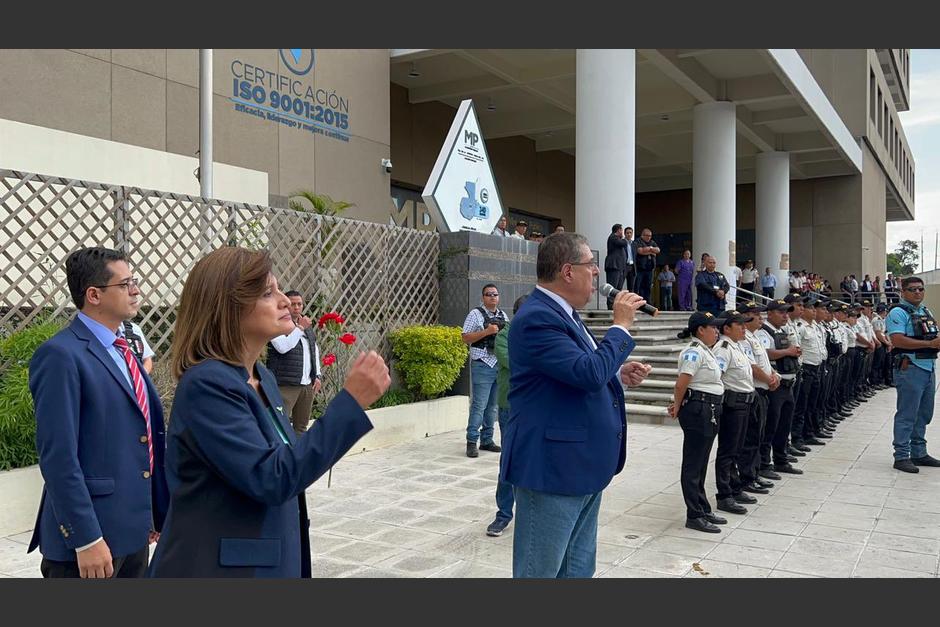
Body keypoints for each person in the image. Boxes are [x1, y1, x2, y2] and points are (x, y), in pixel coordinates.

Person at [147, 247, 390, 577]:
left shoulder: (263, 378)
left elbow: (287, 465)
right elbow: (271, 477)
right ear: (228, 309)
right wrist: (350, 403)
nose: (285, 300)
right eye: (266, 293)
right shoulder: (207, 386)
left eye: (278, 289)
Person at [501, 232, 650, 578]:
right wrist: (621, 326)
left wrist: (617, 371)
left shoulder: (565, 314)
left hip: (580, 466)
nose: (596, 273)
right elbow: (588, 372)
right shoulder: (538, 317)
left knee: (577, 570)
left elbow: (580, 370)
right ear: (568, 272)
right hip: (552, 469)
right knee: (540, 573)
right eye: (591, 266)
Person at [27, 247, 169, 578]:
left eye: (135, 281)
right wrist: (85, 538)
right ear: (94, 295)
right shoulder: (60, 356)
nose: (136, 291)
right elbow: (58, 456)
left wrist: (150, 513)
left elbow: (141, 435)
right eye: (126, 284)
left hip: (132, 531)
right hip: (90, 541)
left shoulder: (125, 349)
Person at [670, 311, 726, 533]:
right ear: (701, 330)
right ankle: (694, 514)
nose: (716, 331)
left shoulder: (706, 352)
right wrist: (676, 406)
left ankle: (702, 507)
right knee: (694, 464)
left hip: (709, 407)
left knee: (702, 462)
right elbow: (681, 384)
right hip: (699, 409)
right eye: (713, 328)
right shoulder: (694, 353)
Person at [885, 277, 940, 473]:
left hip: (928, 366)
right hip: (910, 367)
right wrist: (928, 344)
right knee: (907, 413)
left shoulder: (925, 311)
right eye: (912, 289)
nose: (917, 292)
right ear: (903, 292)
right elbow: (898, 340)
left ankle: (919, 452)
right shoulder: (898, 313)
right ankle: (901, 455)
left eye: (920, 289)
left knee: (924, 413)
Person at [485, 293, 529, 538]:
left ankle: (528, 513)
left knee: (531, 459)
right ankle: (503, 514)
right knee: (509, 460)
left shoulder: (538, 334)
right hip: (510, 406)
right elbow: (513, 362)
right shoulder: (504, 335)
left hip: (534, 405)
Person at [710, 310, 758, 517]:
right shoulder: (723, 348)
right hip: (733, 404)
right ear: (726, 328)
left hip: (745, 402)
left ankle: (735, 487)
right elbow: (717, 376)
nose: (744, 327)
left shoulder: (738, 347)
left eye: (744, 324)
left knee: (737, 449)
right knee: (728, 451)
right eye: (739, 324)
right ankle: (724, 495)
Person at [735, 302, 779, 498]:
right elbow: (752, 366)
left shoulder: (755, 337)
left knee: (758, 435)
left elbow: (764, 362)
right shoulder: (743, 340)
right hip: (754, 391)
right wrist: (768, 378)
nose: (761, 318)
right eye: (756, 315)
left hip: (763, 391)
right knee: (751, 438)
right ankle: (747, 476)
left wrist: (774, 374)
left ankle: (755, 472)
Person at [755, 299, 802, 479]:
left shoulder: (780, 331)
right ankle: (765, 463)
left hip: (788, 383)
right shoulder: (763, 332)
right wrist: (787, 352)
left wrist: (793, 353)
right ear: (770, 313)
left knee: (784, 425)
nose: (785, 315)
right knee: (770, 426)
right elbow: (765, 353)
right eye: (781, 312)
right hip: (775, 386)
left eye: (786, 312)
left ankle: (781, 460)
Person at [461, 284, 508, 457]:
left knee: (493, 407)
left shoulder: (503, 315)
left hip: (498, 364)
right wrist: (487, 332)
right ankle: (471, 441)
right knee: (479, 405)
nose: (492, 297)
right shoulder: (475, 314)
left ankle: (487, 440)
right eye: (488, 294)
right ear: (483, 297)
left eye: (495, 294)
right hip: (482, 363)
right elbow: (465, 337)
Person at [266, 290, 322, 434]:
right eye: (293, 304)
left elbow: (313, 350)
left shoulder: (306, 326)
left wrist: (318, 375)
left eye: (300, 304)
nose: (297, 307)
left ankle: (298, 456)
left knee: (301, 428)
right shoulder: (276, 324)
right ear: (285, 305)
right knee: (278, 427)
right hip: (285, 384)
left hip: (306, 385)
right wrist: (300, 328)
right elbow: (283, 348)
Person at [604, 224, 631, 310]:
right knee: (613, 287)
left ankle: (615, 304)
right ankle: (611, 305)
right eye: (621, 230)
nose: (622, 233)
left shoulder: (617, 239)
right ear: (618, 230)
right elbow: (623, 243)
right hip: (613, 266)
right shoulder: (613, 238)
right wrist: (625, 239)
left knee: (618, 288)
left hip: (620, 267)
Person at [634, 228, 660, 302]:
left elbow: (658, 250)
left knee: (648, 287)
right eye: (647, 235)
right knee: (638, 286)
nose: (649, 237)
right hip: (640, 269)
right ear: (642, 235)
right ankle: (638, 302)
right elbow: (640, 251)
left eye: (650, 236)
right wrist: (651, 251)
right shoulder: (638, 241)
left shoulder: (652, 242)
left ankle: (647, 302)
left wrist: (649, 248)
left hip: (649, 269)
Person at [622, 226, 638, 293]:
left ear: (632, 234)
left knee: (631, 288)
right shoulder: (621, 242)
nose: (629, 234)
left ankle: (630, 302)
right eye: (627, 233)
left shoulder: (634, 244)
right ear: (624, 234)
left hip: (632, 267)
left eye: (630, 233)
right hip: (624, 266)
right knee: (619, 285)